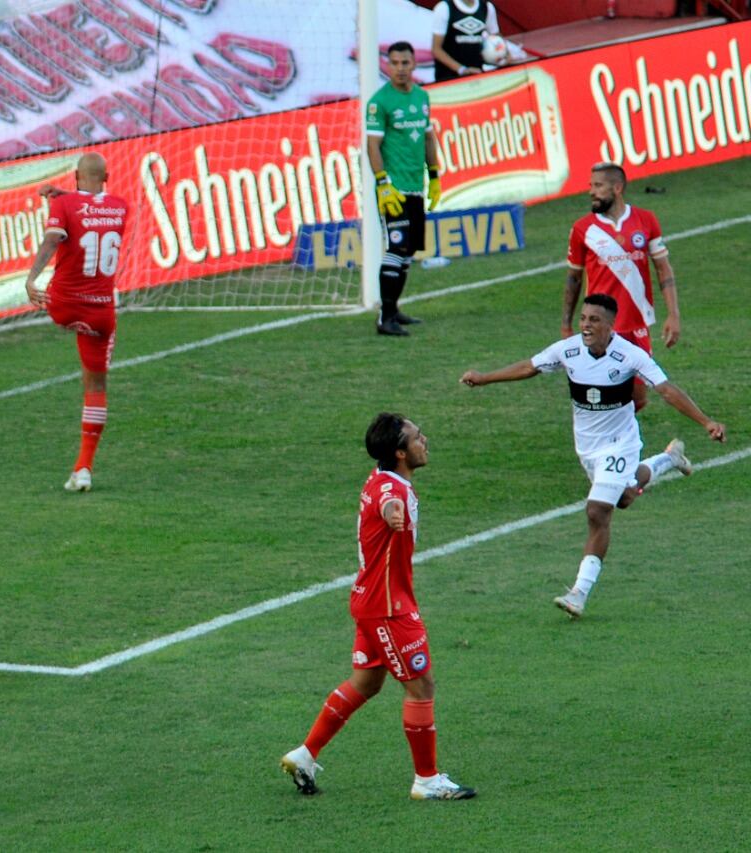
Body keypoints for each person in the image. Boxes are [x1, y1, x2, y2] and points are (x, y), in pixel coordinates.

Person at [461, 294, 725, 618]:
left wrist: (706, 421)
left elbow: (666, 389)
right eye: (584, 318)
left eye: (594, 320)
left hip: (620, 443)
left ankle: (578, 593)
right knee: (625, 496)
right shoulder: (568, 350)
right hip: (587, 447)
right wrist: (484, 377)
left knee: (598, 511)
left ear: (610, 324)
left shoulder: (630, 355)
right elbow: (530, 366)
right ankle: (669, 458)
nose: (586, 325)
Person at [281, 413, 476, 801]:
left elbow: (385, 494)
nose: (426, 441)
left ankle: (304, 755)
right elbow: (389, 504)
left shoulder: (382, 476)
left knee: (366, 683)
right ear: (400, 453)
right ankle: (427, 779)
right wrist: (391, 514)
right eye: (417, 438)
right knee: (421, 688)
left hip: (372, 599)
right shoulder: (393, 492)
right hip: (389, 608)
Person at [25, 151, 128, 492]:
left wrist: (32, 277)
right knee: (95, 386)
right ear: (108, 177)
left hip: (63, 306)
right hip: (100, 312)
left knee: (86, 364)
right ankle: (84, 467)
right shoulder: (121, 207)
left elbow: (54, 238)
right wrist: (68, 198)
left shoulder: (63, 207)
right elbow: (93, 209)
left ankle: (80, 472)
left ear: (74, 178)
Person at [564, 162, 681, 412]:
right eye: (590, 185)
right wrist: (566, 324)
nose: (591, 191)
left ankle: (620, 446)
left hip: (637, 325)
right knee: (608, 397)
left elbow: (663, 268)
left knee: (638, 399)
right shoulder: (582, 229)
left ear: (617, 188)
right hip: (601, 327)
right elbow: (573, 278)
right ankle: (609, 447)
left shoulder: (645, 220)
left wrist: (673, 315)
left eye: (598, 186)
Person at [367, 42, 442, 337]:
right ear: (387, 65)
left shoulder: (422, 97)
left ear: (414, 64)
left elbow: (427, 138)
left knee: (409, 250)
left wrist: (434, 175)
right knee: (396, 248)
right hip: (393, 188)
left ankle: (394, 308)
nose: (400, 68)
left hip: (415, 186)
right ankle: (384, 317)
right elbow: (372, 145)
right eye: (394, 63)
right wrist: (383, 183)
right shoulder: (380, 102)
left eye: (405, 63)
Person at [431, 0, 507, 82]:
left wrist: (505, 54)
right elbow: (436, 49)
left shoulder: (487, 7)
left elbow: (496, 37)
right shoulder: (444, 8)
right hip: (448, 79)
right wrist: (462, 69)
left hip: (477, 75)